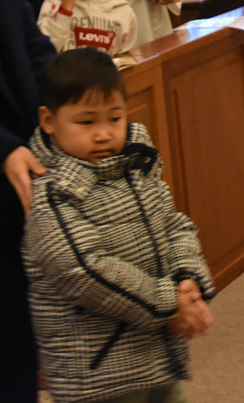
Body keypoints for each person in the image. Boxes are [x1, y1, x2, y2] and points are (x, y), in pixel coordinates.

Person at [22, 48, 214, 403]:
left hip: (156, 353)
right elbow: (83, 271)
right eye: (86, 122)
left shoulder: (135, 166)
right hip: (98, 374)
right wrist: (170, 304)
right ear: (48, 120)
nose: (103, 134)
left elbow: (174, 225)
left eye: (115, 118)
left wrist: (187, 279)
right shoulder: (52, 194)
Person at [0, 0, 56, 403]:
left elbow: (38, 56)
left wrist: (85, 99)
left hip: (20, 168)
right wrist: (3, 146)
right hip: (5, 155)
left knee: (17, 322)